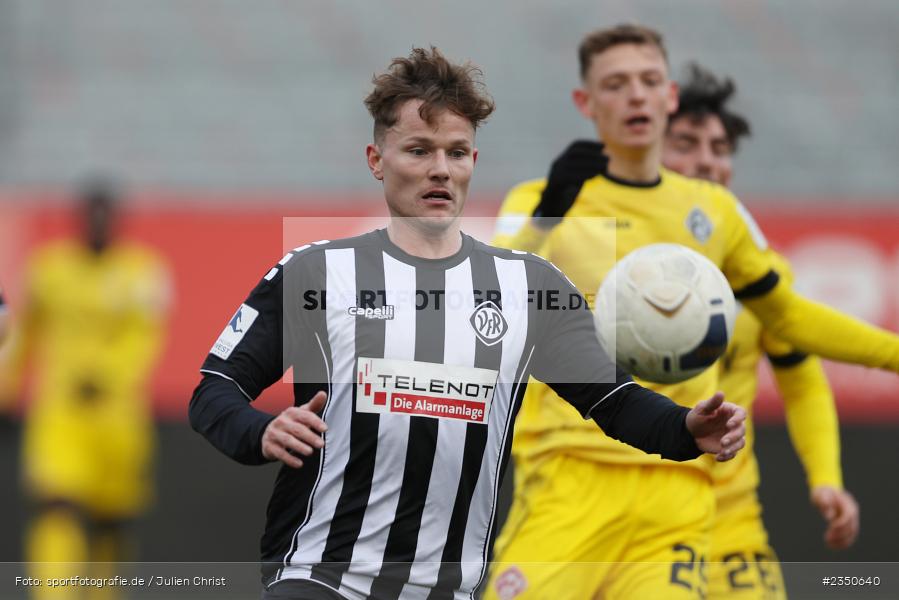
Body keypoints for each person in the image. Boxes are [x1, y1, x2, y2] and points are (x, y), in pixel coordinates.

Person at [189, 46, 747, 600]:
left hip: (446, 590)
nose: (440, 169)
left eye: (457, 152)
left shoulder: (531, 287)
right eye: (418, 150)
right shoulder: (318, 271)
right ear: (376, 159)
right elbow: (215, 391)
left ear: (473, 163)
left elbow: (614, 401)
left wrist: (683, 429)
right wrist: (260, 431)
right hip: (320, 579)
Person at [487, 24, 898, 600]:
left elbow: (790, 319)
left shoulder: (716, 213)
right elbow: (487, 294)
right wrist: (551, 215)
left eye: (649, 80)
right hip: (570, 477)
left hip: (680, 479)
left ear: (669, 96)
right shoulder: (542, 198)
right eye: (616, 83)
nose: (635, 95)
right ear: (587, 102)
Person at [661, 63, 859, 599]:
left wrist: (825, 477)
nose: (706, 159)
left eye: (719, 148)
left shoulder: (763, 271)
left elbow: (802, 380)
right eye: (685, 142)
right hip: (635, 525)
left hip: (731, 524)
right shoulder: (601, 256)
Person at [1, 181, 171, 599]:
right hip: (61, 409)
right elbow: (23, 335)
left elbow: (145, 339)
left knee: (110, 520)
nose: (96, 223)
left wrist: (108, 376)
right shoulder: (49, 268)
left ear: (115, 221)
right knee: (55, 504)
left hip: (118, 414)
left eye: (104, 215)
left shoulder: (143, 272)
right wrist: (6, 392)